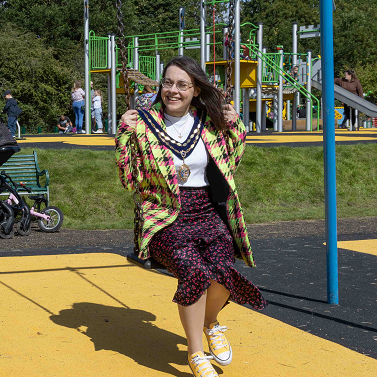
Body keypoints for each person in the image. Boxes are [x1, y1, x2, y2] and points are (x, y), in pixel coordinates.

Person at [116, 56, 266, 377]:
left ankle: (211, 323)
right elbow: (129, 179)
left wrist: (235, 124)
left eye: (182, 85)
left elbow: (231, 160)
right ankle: (195, 352)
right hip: (165, 214)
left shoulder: (208, 122)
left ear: (195, 90)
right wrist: (124, 135)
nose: (173, 90)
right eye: (168, 83)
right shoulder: (142, 123)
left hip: (206, 209)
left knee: (224, 272)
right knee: (194, 272)